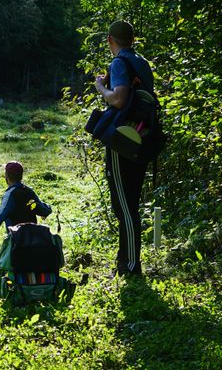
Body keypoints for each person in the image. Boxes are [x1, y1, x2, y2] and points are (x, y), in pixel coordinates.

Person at [93, 19, 154, 277]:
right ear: (133, 39)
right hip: (142, 137)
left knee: (124, 205)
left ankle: (130, 266)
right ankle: (125, 262)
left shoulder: (119, 62)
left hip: (121, 139)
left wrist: (100, 87)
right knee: (130, 201)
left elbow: (118, 99)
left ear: (110, 40)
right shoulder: (142, 62)